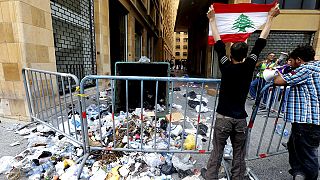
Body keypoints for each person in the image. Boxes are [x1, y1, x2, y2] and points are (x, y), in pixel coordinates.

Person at [205, 4, 279, 180]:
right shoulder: (249, 65)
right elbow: (261, 41)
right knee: (239, 153)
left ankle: (210, 176)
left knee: (217, 150)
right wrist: (270, 18)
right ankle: (238, 177)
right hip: (240, 120)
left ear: (231, 55)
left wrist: (213, 19)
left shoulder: (225, 65)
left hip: (223, 118)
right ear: (246, 56)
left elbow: (218, 43)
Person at [272, 45, 320, 180]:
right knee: (294, 146)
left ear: (298, 60)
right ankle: (299, 173)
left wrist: (278, 70)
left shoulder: (305, 69)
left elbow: (278, 81)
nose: (290, 63)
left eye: (291, 61)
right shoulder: (317, 67)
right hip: (312, 121)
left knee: (308, 154)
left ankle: (308, 176)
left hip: (307, 121)